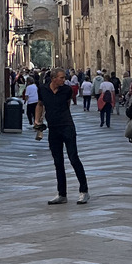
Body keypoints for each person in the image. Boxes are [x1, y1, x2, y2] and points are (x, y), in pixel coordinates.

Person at [40, 66, 89, 205]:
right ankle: (62, 194)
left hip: (67, 127)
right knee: (58, 162)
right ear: (53, 78)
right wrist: (38, 120)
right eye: (61, 78)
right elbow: (40, 104)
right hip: (53, 129)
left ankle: (84, 191)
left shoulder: (66, 90)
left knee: (74, 158)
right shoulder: (43, 89)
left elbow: (67, 105)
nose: (64, 80)